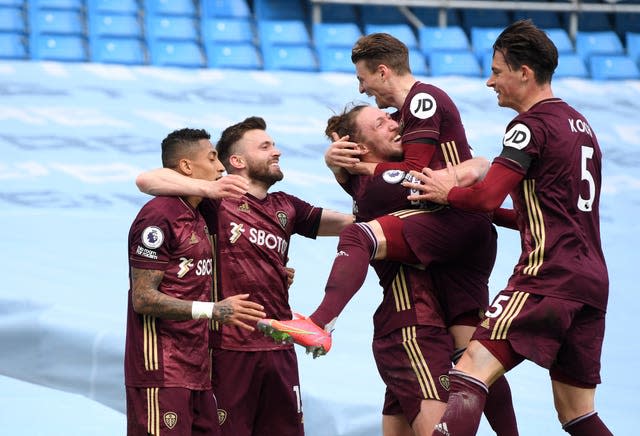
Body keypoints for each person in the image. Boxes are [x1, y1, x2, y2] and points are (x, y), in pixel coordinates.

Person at [258, 33, 519, 435]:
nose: (395, 123)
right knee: (475, 360)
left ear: (382, 70)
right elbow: (409, 180)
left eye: (363, 79)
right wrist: (481, 173)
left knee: (361, 238)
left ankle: (321, 322)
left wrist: (348, 166)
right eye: (382, 124)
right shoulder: (379, 182)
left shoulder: (415, 112)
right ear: (360, 148)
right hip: (416, 321)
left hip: (418, 317)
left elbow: (411, 180)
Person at [405, 20, 612, 436]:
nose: (489, 81)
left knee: (469, 371)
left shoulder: (529, 126)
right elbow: (547, 214)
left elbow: (484, 197)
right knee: (578, 413)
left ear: (524, 73)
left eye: (497, 71)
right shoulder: (582, 127)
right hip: (591, 282)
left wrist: (447, 193)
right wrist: (481, 213)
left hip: (547, 276)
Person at [135, 117, 354, 436]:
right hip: (227, 349)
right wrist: (209, 188)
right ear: (236, 160)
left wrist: (346, 174)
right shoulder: (216, 202)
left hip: (279, 347)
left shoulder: (287, 206)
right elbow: (146, 180)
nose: (276, 151)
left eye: (274, 144)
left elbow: (358, 226)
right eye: (265, 146)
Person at [125, 128, 266, 435]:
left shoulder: (202, 212)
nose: (220, 168)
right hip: (160, 369)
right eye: (212, 158)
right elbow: (143, 298)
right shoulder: (158, 217)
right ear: (187, 167)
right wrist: (213, 311)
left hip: (197, 370)